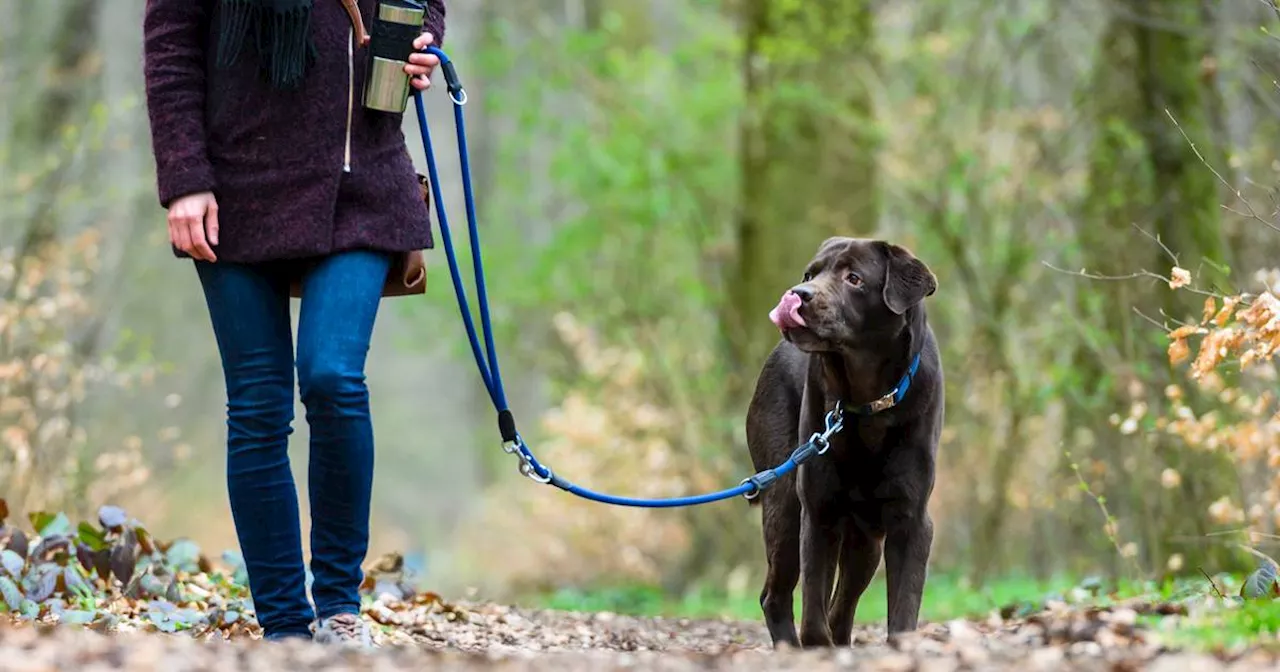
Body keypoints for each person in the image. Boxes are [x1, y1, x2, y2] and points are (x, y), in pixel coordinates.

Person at [141, 0, 447, 646]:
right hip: (233, 187)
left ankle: (339, 609)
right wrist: (183, 177)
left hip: (360, 181)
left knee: (333, 377)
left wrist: (423, 41)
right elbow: (171, 44)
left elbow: (423, 4)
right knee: (258, 403)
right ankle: (285, 631)